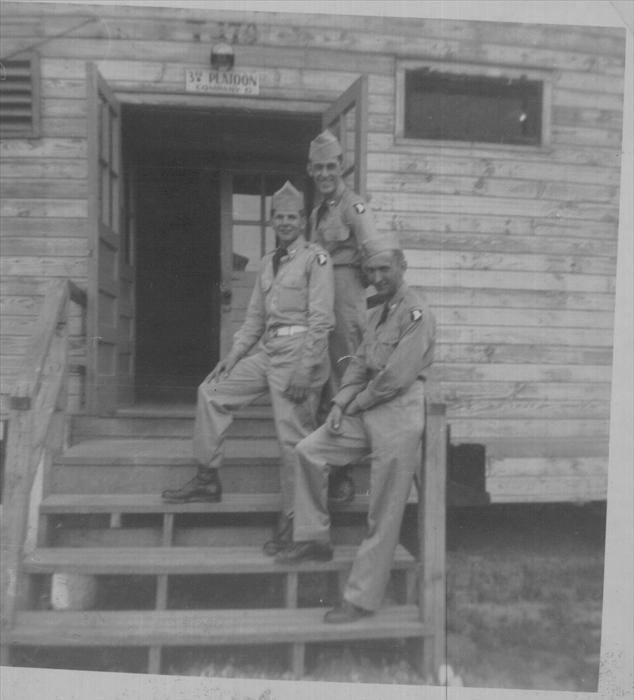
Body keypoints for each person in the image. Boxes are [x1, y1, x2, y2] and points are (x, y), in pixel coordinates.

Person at [161, 181, 334, 556]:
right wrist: (234, 355)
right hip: (269, 350)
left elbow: (322, 321)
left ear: (303, 220)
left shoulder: (315, 259)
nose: (285, 222)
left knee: (294, 442)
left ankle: (300, 527)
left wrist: (307, 368)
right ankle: (208, 478)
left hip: (298, 354)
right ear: (272, 221)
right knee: (211, 392)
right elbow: (255, 317)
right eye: (279, 217)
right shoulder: (269, 261)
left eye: (292, 216)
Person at [275, 233, 436, 625]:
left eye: (384, 268)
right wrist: (338, 405)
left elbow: (395, 378)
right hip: (367, 407)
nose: (377, 276)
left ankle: (362, 599)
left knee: (382, 511)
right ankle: (314, 539)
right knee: (309, 450)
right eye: (371, 270)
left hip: (397, 413)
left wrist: (356, 403)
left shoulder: (417, 313)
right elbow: (360, 366)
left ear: (401, 267)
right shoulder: (378, 313)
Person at [307, 129, 383, 504]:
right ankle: (324, 464)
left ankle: (345, 473)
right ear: (310, 169)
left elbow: (377, 259)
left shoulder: (355, 208)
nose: (325, 174)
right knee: (321, 384)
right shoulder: (315, 213)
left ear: (342, 167)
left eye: (331, 166)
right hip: (320, 306)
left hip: (347, 302)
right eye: (318, 167)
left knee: (344, 383)